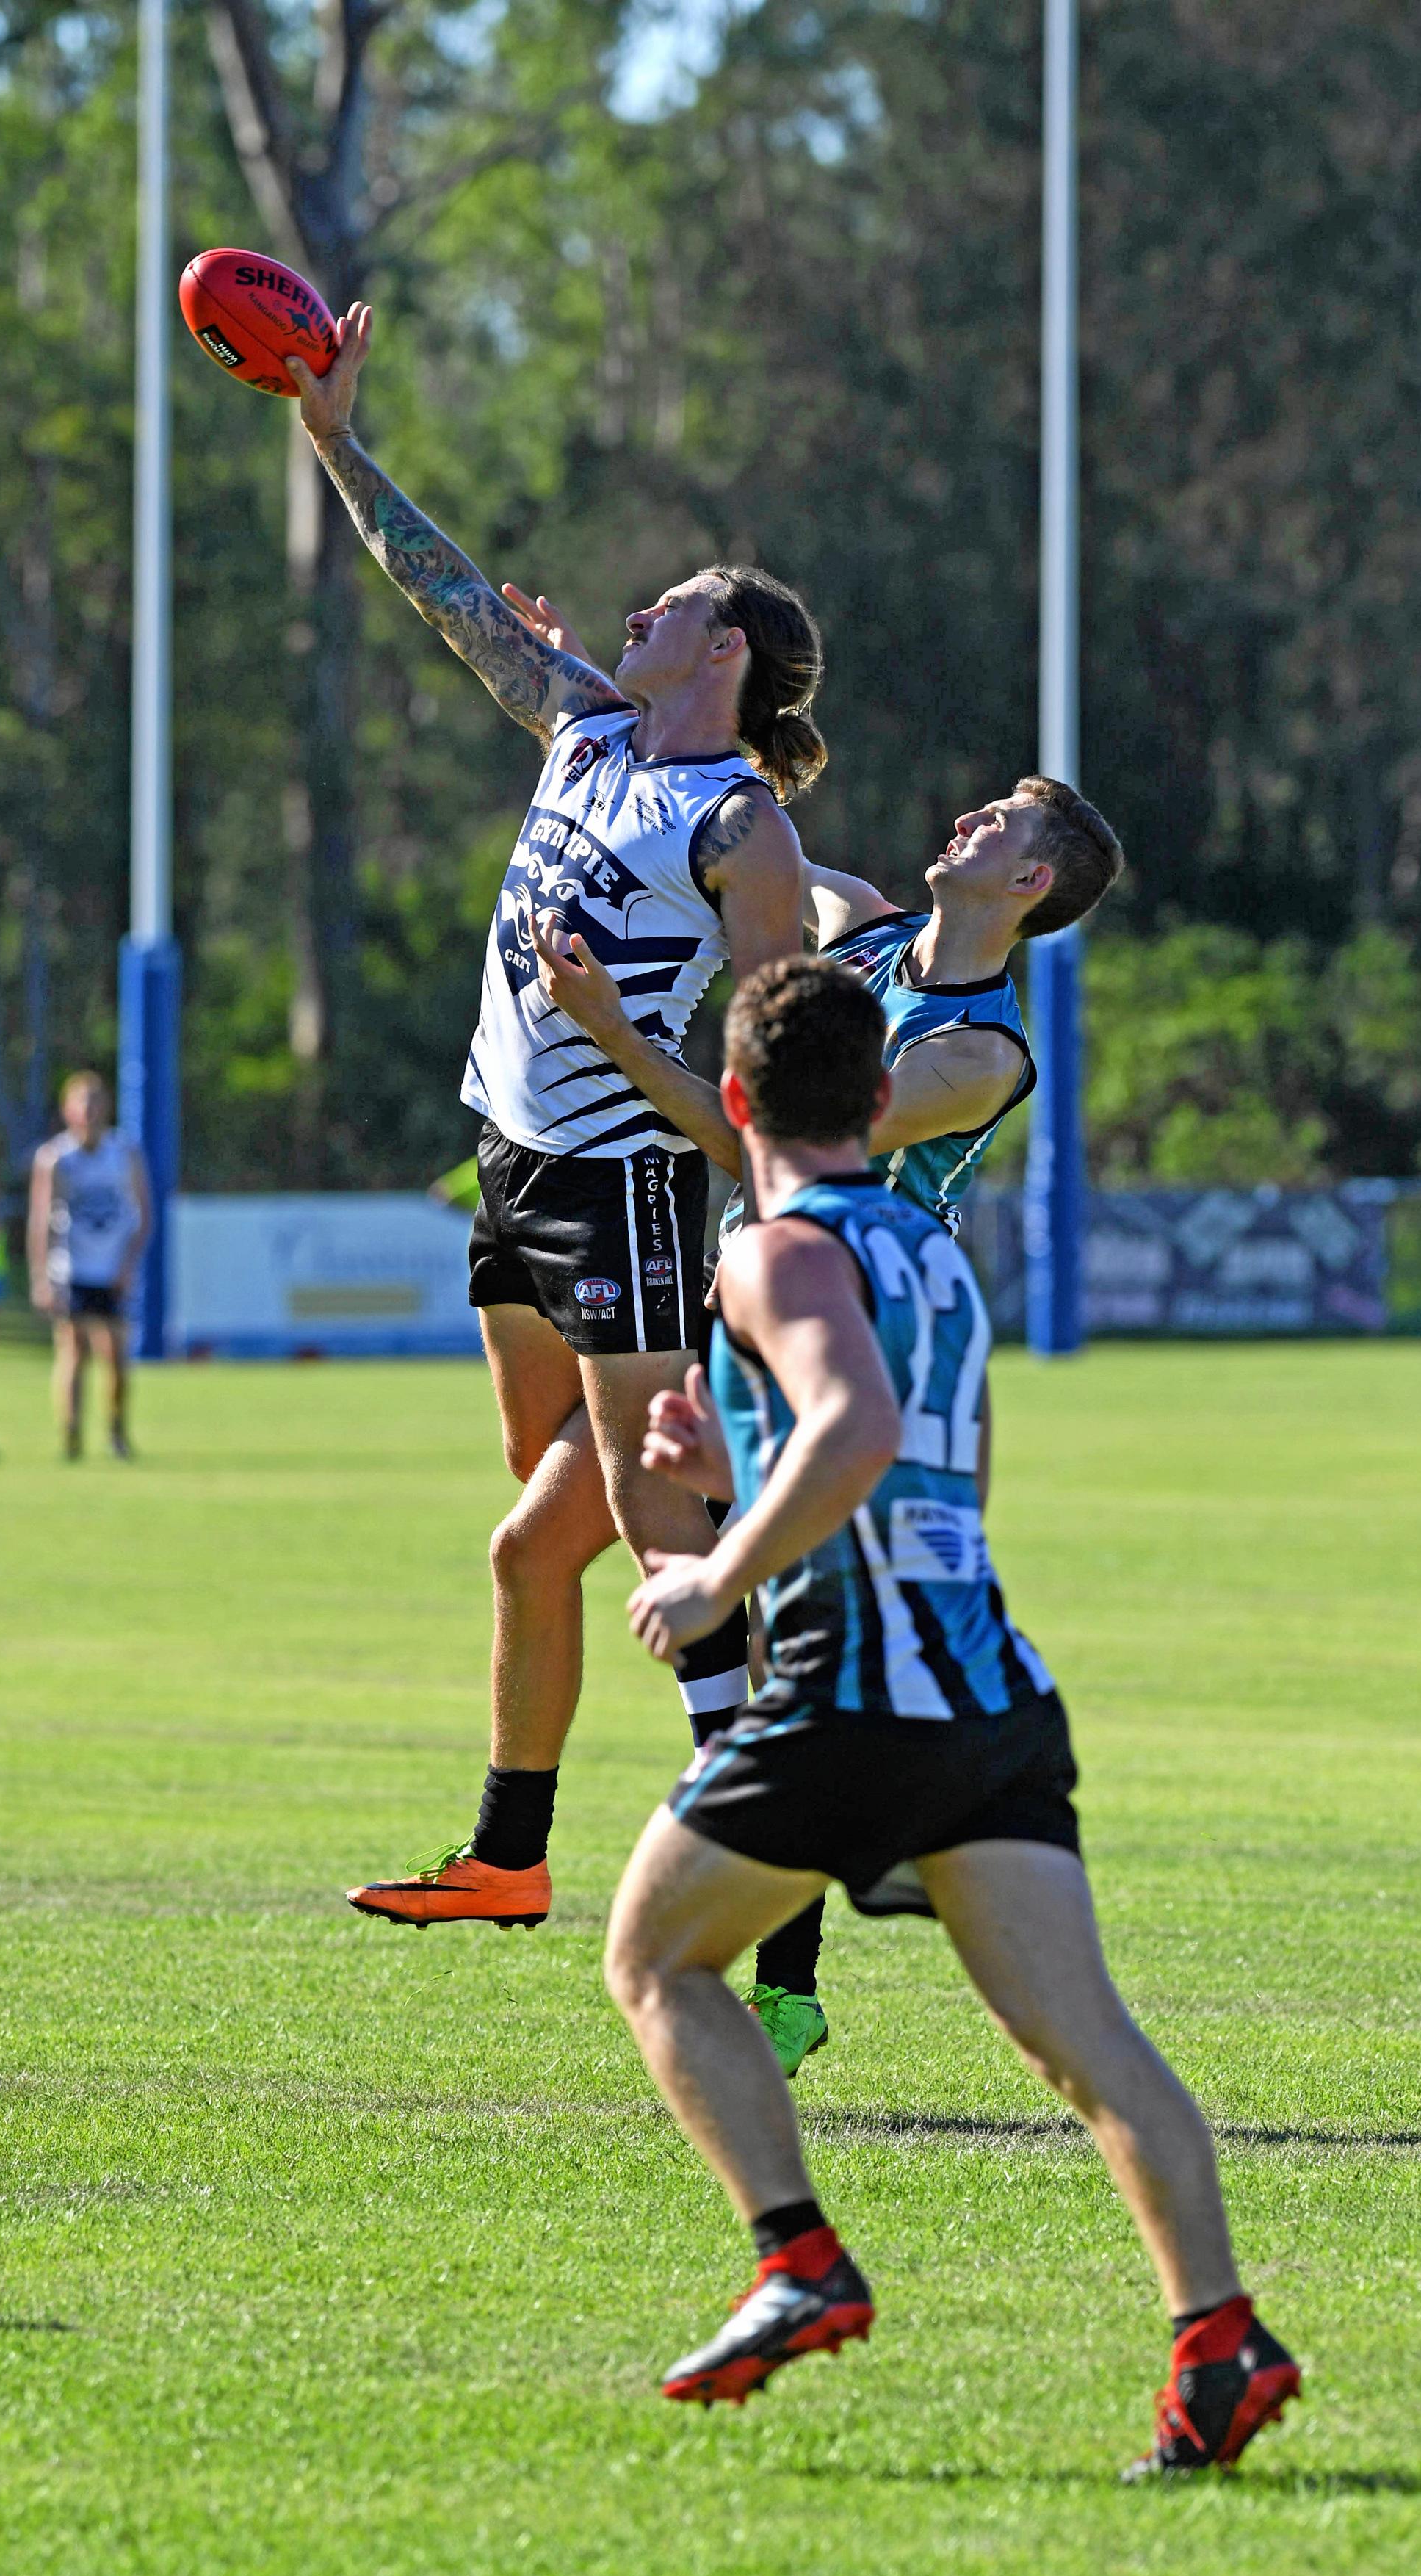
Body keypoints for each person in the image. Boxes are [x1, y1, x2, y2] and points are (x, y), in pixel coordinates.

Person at [601, 956, 1299, 2478]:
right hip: (987, 1690)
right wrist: (730, 1457)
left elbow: (850, 1423)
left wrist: (718, 1563)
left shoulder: (771, 1250)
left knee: (655, 1957)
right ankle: (1218, 2337)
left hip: (852, 1688)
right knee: (1094, 2047)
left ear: (734, 1101)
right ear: (879, 1100)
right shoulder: (928, 1256)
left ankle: (796, 2254)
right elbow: (931, 1465)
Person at [281, 307, 821, 1933]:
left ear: (720, 654)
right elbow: (436, 586)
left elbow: (764, 1114)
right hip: (510, 1168)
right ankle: (543, 1843)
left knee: (599, 1527)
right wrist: (333, 434)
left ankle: (745, 1835)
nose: (637, 608)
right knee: (546, 1502)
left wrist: (605, 1030)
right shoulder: (585, 727)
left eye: (673, 606)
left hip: (631, 1189)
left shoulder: (739, 828)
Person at [538, 770, 1124, 2068]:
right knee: (679, 1574)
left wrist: (616, 1036)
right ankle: (836, 1870)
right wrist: (605, 717)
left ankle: (832, 1915)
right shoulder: (856, 930)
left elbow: (765, 1147)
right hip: (760, 1313)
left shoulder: (973, 1053)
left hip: (857, 1333)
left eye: (999, 827)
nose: (963, 818)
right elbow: (743, 834)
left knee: (798, 1633)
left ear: (1029, 885)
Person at [26, 1071, 152, 1461]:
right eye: (82, 1101)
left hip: (112, 1268)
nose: (89, 1109)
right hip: (72, 1268)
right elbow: (41, 1220)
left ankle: (117, 1431)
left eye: (96, 1101)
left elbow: (143, 1215)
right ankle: (71, 1434)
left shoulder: (124, 1153)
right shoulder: (56, 1158)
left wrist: (129, 1265)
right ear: (67, 1109)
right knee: (73, 1352)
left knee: (115, 1353)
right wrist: (42, 1277)